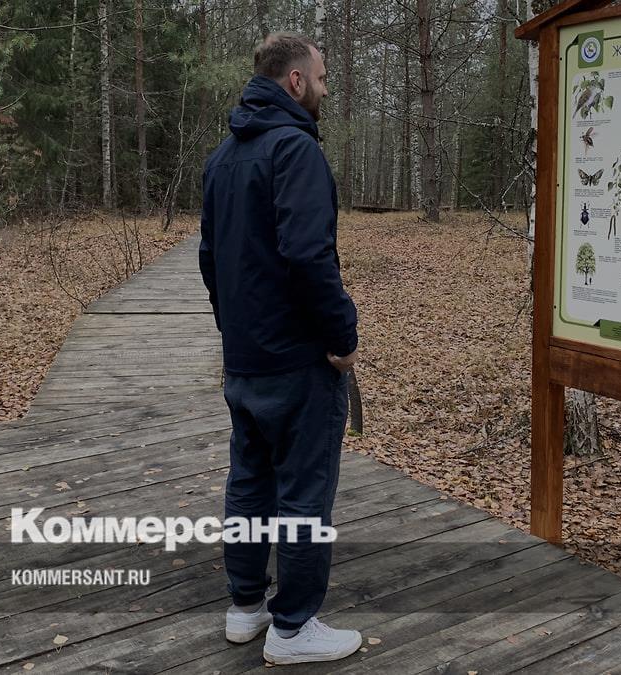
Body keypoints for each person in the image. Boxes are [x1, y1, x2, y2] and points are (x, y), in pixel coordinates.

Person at [198, 31, 362, 665]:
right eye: (320, 78)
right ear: (294, 81)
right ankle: (292, 629)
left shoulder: (222, 158)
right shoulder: (296, 150)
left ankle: (246, 608)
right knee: (303, 493)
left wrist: (234, 332)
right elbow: (309, 255)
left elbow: (210, 261)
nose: (325, 88)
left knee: (249, 480)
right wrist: (341, 337)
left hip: (245, 360)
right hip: (298, 361)